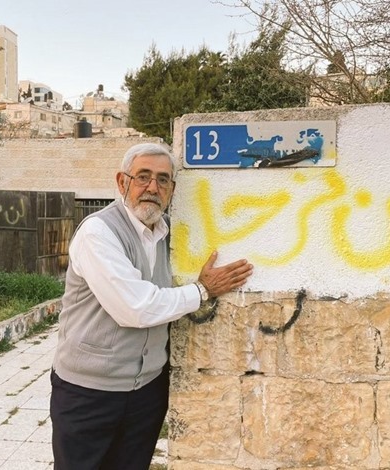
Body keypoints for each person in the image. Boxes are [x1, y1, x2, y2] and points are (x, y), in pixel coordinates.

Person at [50, 142, 253, 470]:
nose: (152, 188)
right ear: (122, 182)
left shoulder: (169, 232)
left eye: (162, 180)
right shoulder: (98, 232)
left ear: (172, 189)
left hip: (146, 392)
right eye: (142, 176)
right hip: (88, 392)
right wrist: (202, 290)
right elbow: (135, 308)